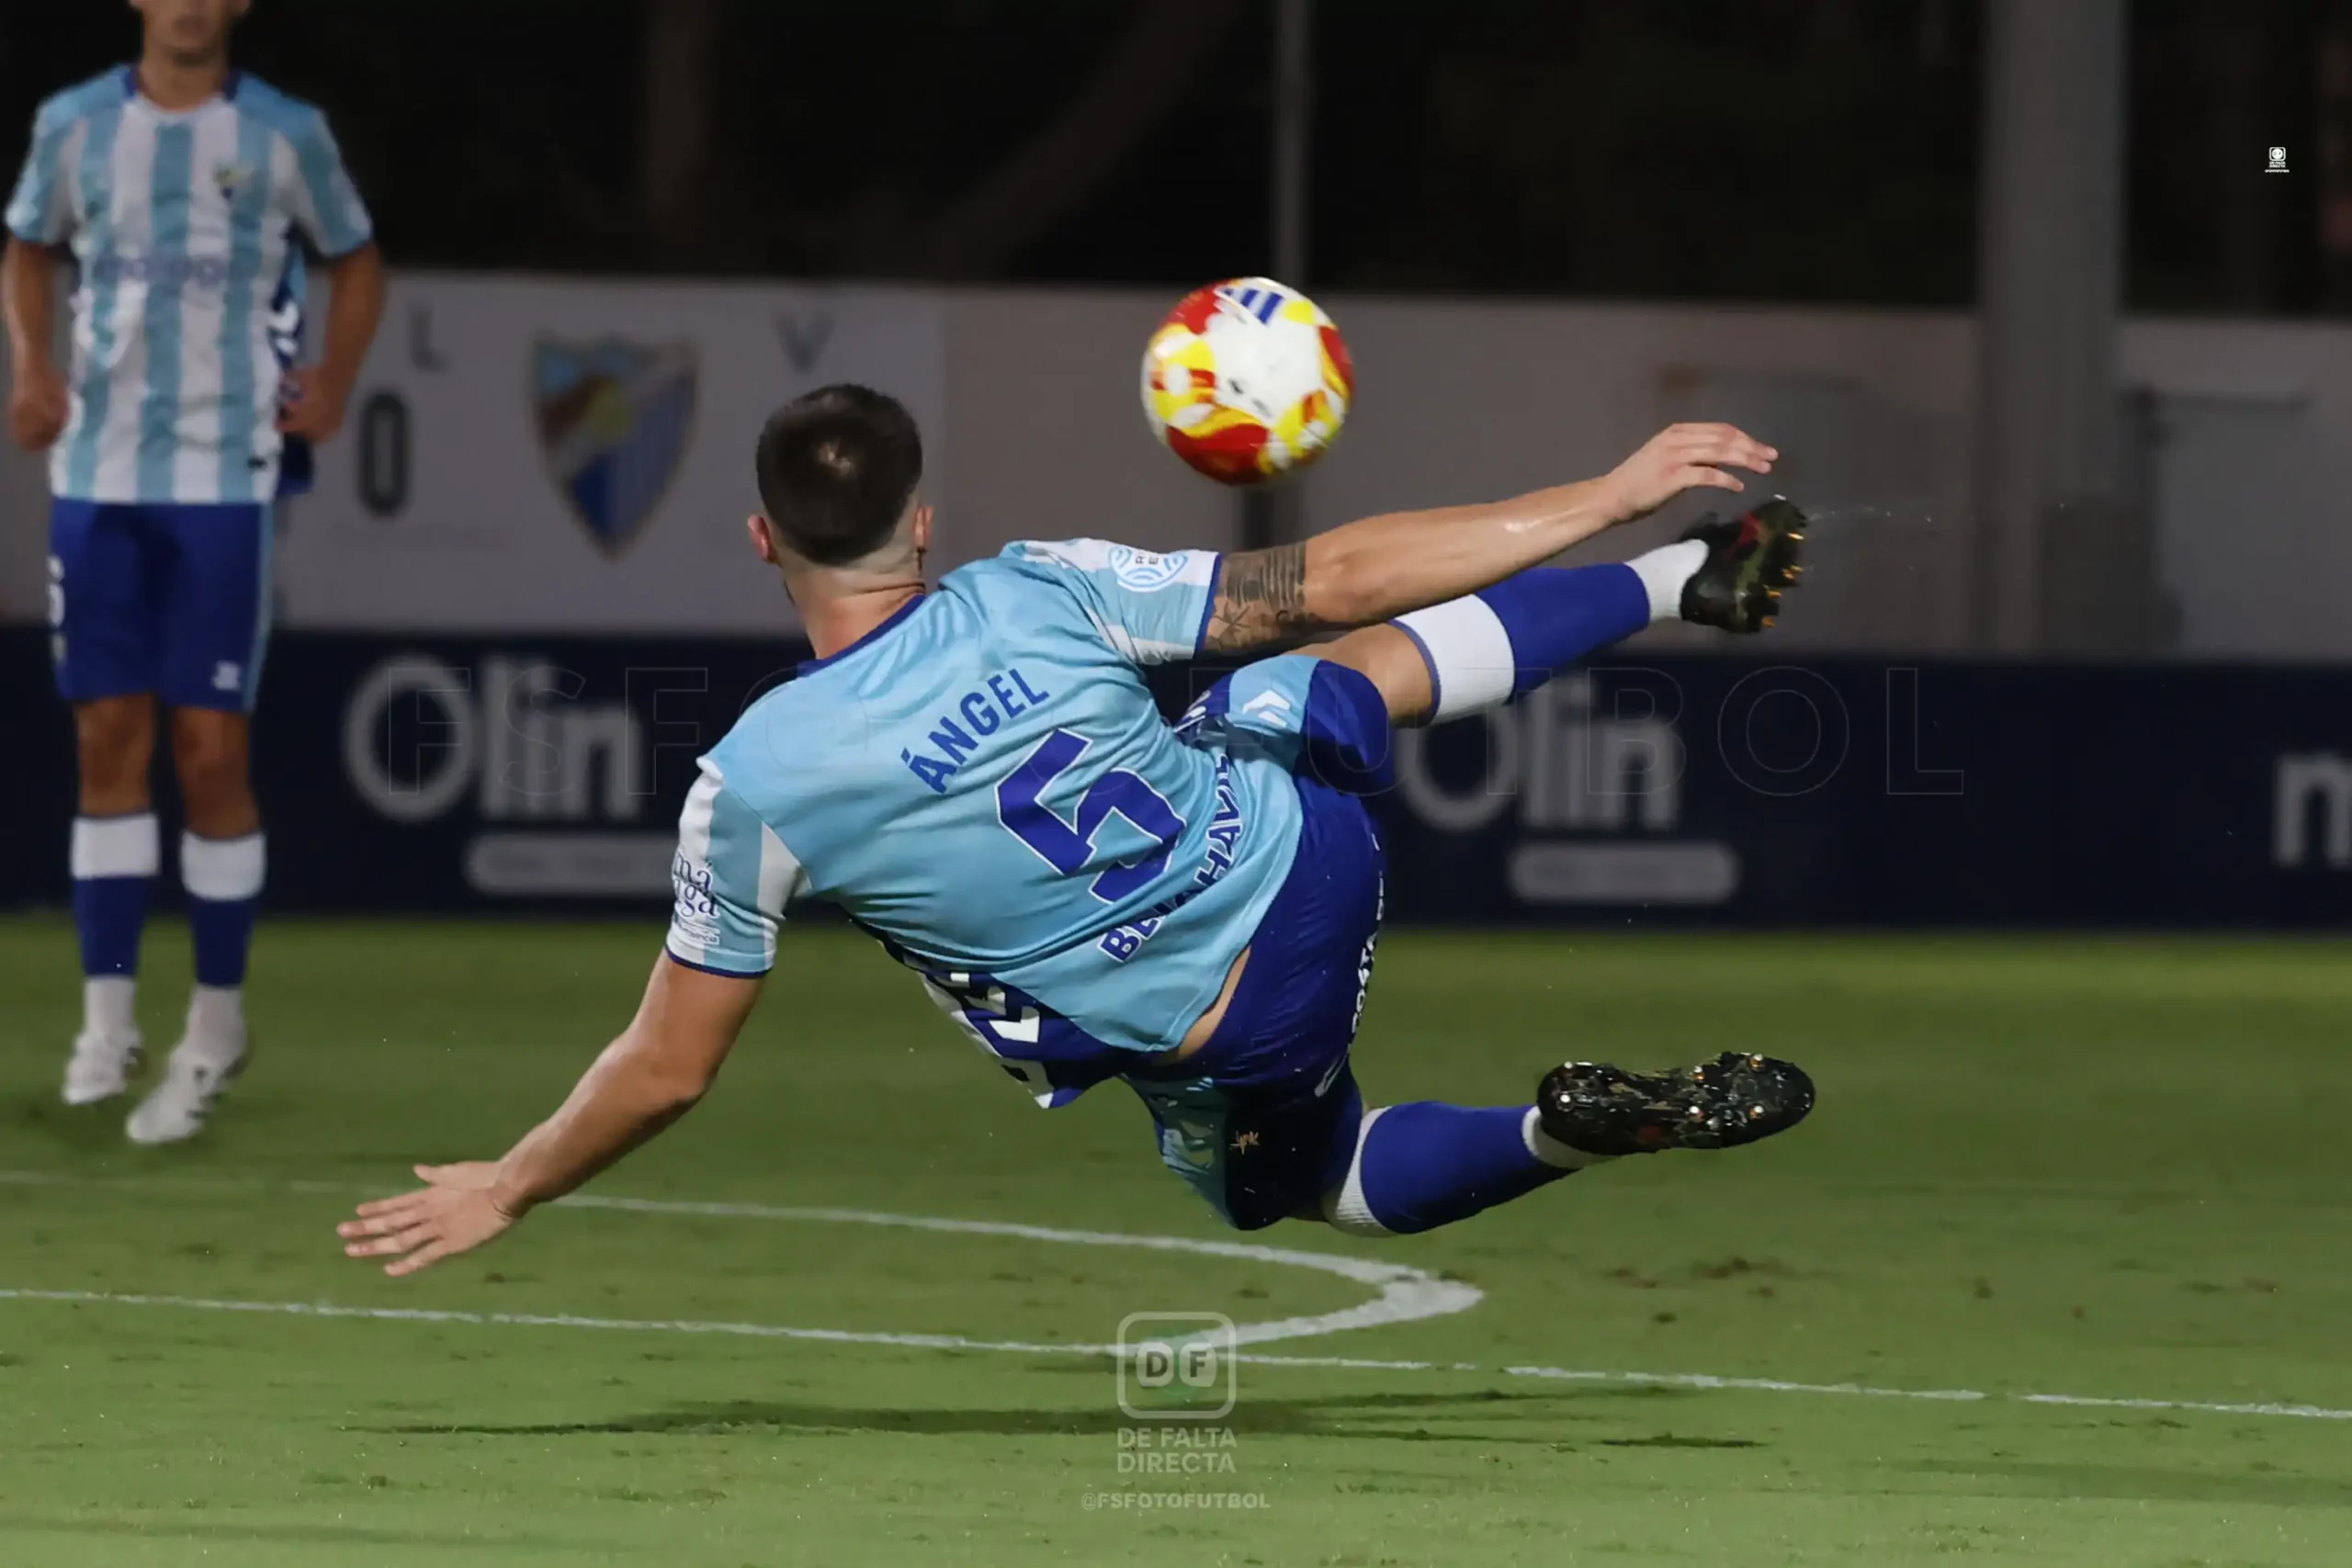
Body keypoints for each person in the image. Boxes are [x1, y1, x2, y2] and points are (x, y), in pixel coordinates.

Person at [340, 384, 1811, 1277]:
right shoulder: (1039, 585)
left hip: (1237, 1025)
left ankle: (1562, 1130)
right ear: (923, 521)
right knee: (1312, 668)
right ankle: (1680, 581)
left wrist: (511, 1179)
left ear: (762, 540)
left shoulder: (757, 780)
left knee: (1318, 1183)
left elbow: (669, 1067)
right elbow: (1340, 569)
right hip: (1306, 848)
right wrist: (1610, 498)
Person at [4, 0, 386, 1143]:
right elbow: (26, 247)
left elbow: (356, 261)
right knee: (105, 739)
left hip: (226, 477)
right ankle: (107, 1018)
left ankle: (215, 1020)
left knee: (209, 747)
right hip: (97, 475)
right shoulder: (73, 125)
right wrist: (31, 365)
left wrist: (337, 377)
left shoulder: (282, 133)